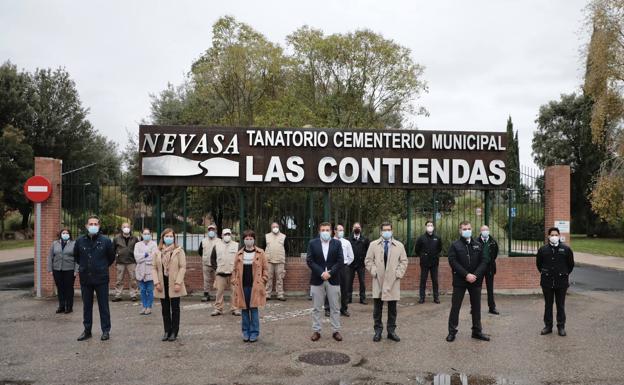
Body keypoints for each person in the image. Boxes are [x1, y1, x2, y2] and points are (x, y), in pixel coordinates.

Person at [446, 221, 490, 342]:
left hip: (475, 281)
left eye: (469, 228)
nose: (467, 231)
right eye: (464, 229)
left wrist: (475, 275)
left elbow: (484, 261)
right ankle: (452, 332)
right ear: (460, 230)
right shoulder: (455, 245)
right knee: (456, 307)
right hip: (460, 280)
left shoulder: (478, 245)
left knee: (476, 307)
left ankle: (477, 331)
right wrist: (466, 275)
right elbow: (453, 262)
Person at [365, 222, 408, 342]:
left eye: (388, 229)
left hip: (393, 282)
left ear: (392, 231)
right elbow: (368, 260)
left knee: (392, 309)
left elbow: (404, 261)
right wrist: (374, 272)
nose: (386, 232)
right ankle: (378, 331)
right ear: (380, 231)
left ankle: (391, 331)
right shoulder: (373, 245)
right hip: (378, 281)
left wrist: (398, 274)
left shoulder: (399, 245)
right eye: (384, 230)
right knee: (377, 309)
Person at [74, 215, 115, 341]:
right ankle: (87, 330)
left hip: (101, 277)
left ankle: (106, 330)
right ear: (86, 226)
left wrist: (101, 267)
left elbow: (111, 258)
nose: (93, 226)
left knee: (103, 305)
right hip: (86, 278)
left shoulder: (106, 241)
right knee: (87, 306)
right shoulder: (80, 240)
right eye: (90, 224)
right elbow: (77, 257)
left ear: (99, 225)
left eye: (95, 224)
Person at [307, 222, 344, 342]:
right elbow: (310, 260)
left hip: (333, 279)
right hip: (317, 279)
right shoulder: (313, 243)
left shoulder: (337, 243)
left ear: (332, 232)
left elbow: (340, 261)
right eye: (323, 230)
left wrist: (330, 273)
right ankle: (316, 331)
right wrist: (321, 273)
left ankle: (336, 331)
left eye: (327, 230)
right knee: (317, 308)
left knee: (335, 307)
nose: (325, 232)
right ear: (319, 231)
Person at [536, 227, 574, 337]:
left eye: (556, 235)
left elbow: (570, 265)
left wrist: (563, 273)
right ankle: (548, 326)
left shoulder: (566, 249)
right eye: (552, 235)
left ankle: (561, 326)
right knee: (548, 305)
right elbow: (539, 265)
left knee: (560, 305)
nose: (554, 237)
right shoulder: (543, 250)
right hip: (547, 282)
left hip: (561, 282)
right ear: (548, 237)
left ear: (559, 236)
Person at [232, 230, 269, 342]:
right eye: (246, 238)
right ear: (243, 240)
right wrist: (234, 280)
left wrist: (263, 280)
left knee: (253, 309)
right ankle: (245, 332)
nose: (249, 240)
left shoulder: (260, 252)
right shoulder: (239, 254)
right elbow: (234, 270)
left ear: (254, 239)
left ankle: (254, 333)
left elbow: (265, 269)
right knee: (244, 309)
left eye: (250, 238)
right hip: (242, 286)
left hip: (255, 286)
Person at [152, 228, 187, 342]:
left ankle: (174, 332)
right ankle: (167, 330)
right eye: (166, 236)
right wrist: (156, 282)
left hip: (174, 283)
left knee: (175, 309)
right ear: (162, 238)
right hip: (162, 284)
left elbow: (182, 267)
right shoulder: (157, 251)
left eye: (171, 236)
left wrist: (178, 282)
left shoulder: (179, 251)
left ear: (174, 238)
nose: (169, 238)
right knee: (165, 309)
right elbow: (154, 268)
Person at [324, 224, 354, 317]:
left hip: (344, 268)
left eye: (342, 230)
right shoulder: (329, 241)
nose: (341, 232)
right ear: (335, 231)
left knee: (345, 289)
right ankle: (328, 309)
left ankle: (344, 309)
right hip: (332, 268)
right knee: (330, 288)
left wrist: (345, 265)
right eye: (339, 230)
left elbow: (351, 256)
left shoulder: (347, 242)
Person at [210, 228, 241, 316]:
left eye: (228, 234)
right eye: (225, 234)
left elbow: (240, 259)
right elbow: (212, 259)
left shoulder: (237, 245)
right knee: (219, 292)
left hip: (233, 273)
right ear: (222, 236)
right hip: (220, 273)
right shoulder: (216, 246)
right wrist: (216, 268)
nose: (227, 236)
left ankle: (235, 308)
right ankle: (218, 309)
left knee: (235, 292)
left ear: (231, 235)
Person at [47, 228, 78, 314]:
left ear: (69, 234)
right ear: (60, 234)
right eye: (63, 233)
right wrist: (50, 269)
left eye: (67, 233)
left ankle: (69, 306)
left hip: (69, 270)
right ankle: (61, 306)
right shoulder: (55, 243)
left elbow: (77, 258)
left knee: (68, 288)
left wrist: (76, 270)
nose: (65, 234)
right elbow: (50, 256)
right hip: (57, 269)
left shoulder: (74, 244)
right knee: (60, 288)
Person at [414, 221, 442, 304]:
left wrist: (435, 255)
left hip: (434, 262)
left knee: (435, 280)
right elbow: (417, 250)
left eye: (431, 225)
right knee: (423, 280)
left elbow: (439, 248)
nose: (430, 226)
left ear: (433, 227)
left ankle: (436, 297)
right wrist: (423, 256)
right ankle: (422, 298)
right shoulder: (421, 238)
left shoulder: (437, 238)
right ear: (426, 227)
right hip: (424, 263)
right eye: (428, 225)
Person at [112, 222, 139, 302]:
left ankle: (133, 294)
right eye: (124, 226)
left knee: (133, 279)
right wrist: (115, 259)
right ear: (121, 228)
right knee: (119, 279)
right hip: (120, 262)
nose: (126, 228)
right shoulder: (116, 238)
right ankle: (118, 295)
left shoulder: (134, 238)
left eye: (127, 226)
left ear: (130, 228)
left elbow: (138, 249)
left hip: (132, 261)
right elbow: (112, 250)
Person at [476, 225, 500, 314]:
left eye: (486, 230)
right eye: (483, 230)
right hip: (479, 268)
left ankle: (492, 307)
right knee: (477, 289)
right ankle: (474, 307)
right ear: (480, 231)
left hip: (490, 268)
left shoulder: (493, 242)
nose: (485, 231)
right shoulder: (476, 241)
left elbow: (495, 254)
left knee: (490, 289)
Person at [134, 228, 157, 315]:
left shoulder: (154, 244)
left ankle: (149, 307)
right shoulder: (137, 244)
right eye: (145, 233)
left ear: (150, 234)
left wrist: (143, 257)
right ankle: (144, 306)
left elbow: (154, 257)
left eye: (148, 234)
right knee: (142, 290)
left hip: (150, 270)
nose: (146, 235)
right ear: (142, 235)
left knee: (150, 290)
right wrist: (146, 254)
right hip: (140, 270)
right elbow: (136, 258)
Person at [198, 223, 221, 302]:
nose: (211, 231)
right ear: (208, 231)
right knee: (206, 280)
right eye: (209, 230)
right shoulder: (203, 241)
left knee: (218, 279)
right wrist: (205, 258)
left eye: (213, 229)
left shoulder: (219, 241)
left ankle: (218, 295)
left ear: (215, 231)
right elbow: (200, 251)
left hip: (216, 264)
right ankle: (206, 294)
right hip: (206, 264)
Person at [348, 222, 369, 305]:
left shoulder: (365, 239)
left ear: (361, 229)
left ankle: (362, 299)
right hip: (351, 264)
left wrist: (366, 260)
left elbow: (369, 251)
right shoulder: (348, 239)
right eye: (355, 227)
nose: (357, 229)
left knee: (362, 282)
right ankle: (348, 298)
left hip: (361, 264)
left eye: (358, 227)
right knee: (349, 282)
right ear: (352, 228)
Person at [265, 222, 287, 301]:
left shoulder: (283, 236)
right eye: (273, 226)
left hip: (280, 261)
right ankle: (267, 294)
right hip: (269, 260)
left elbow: (286, 248)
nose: (275, 228)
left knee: (280, 278)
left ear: (279, 227)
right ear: (271, 228)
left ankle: (280, 294)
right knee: (268, 278)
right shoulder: (267, 236)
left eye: (276, 226)